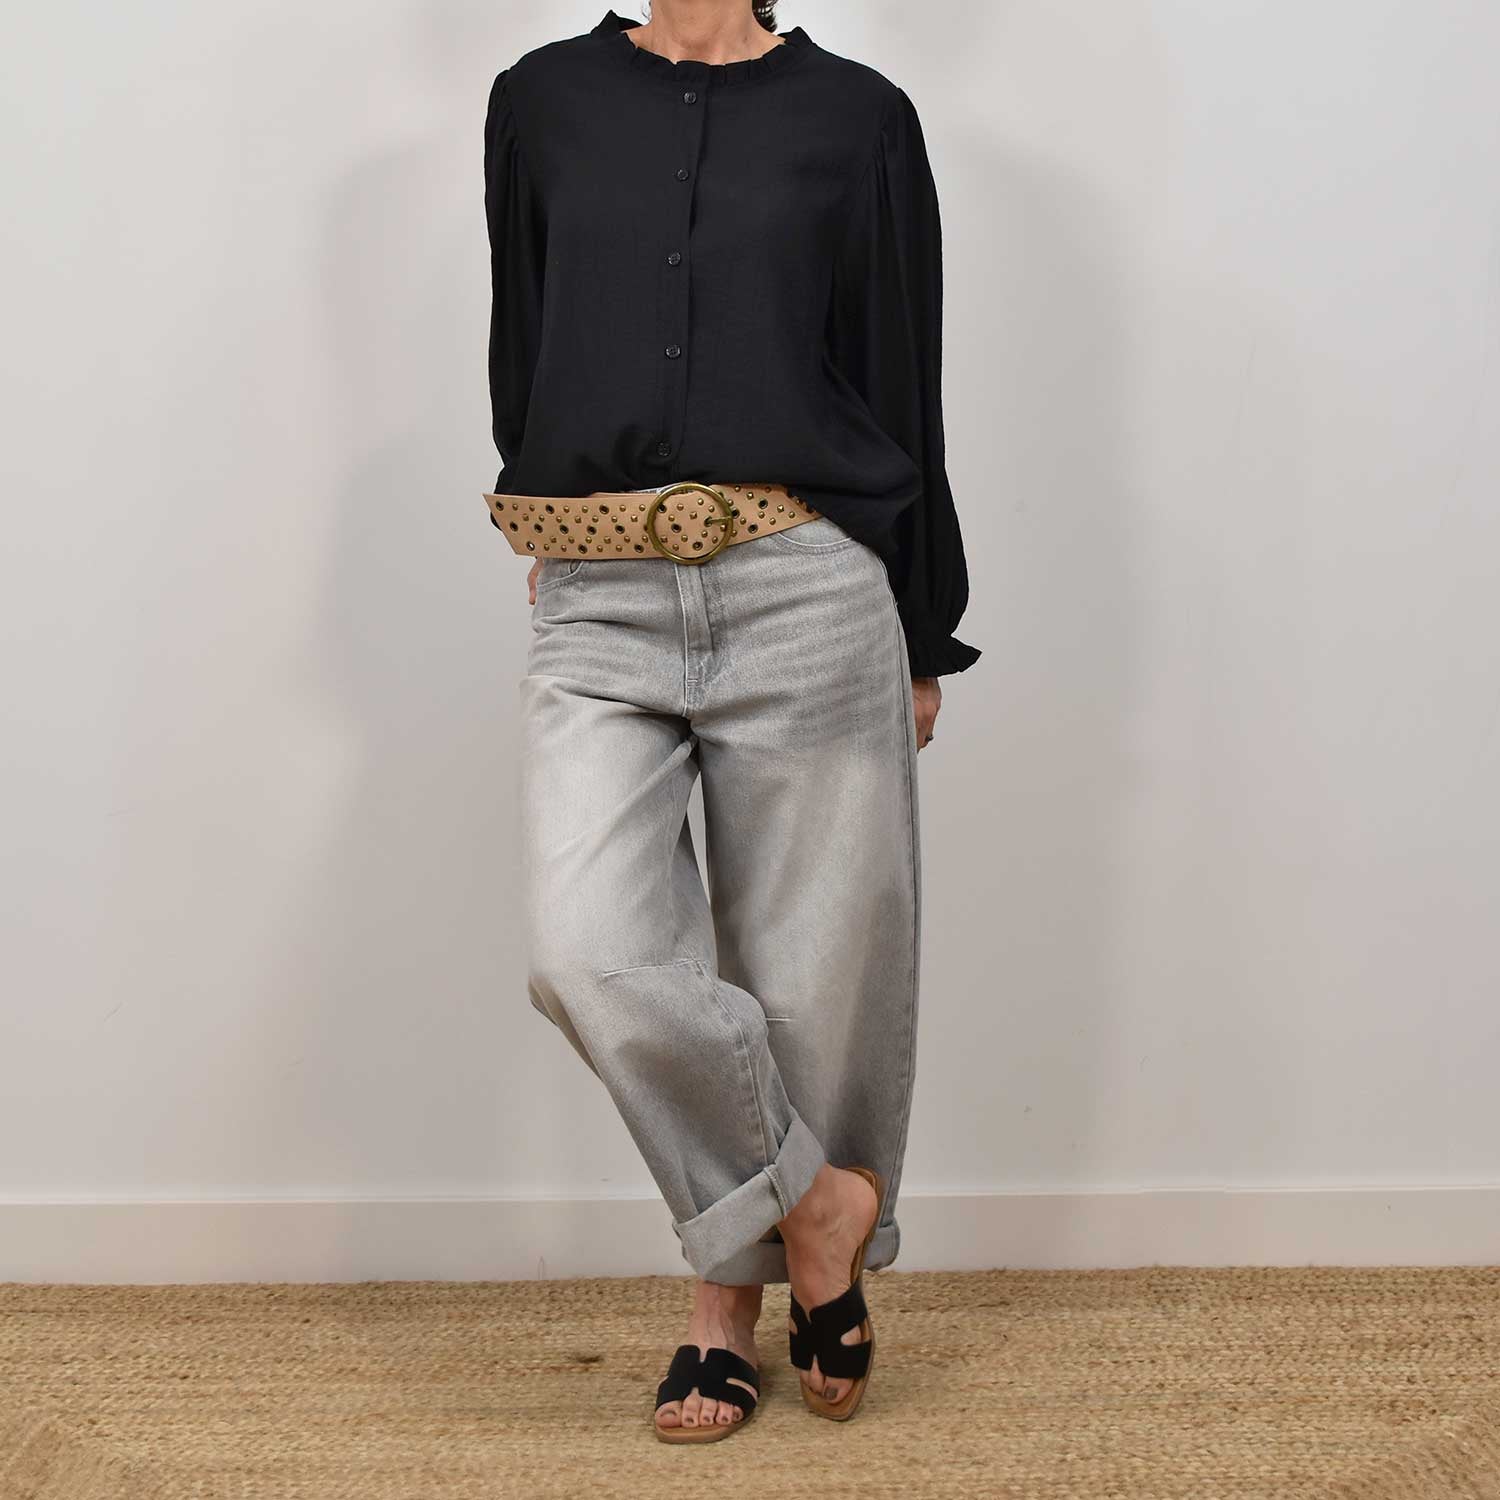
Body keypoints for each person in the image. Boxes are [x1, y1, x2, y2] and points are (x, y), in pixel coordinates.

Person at [483, 0, 980, 1440]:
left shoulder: (859, 116)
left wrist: (922, 629)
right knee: (587, 952)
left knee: (810, 978)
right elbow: (525, 328)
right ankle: (822, 1209)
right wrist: (550, 496)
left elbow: (900, 373)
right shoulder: (541, 100)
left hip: (805, 581)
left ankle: (720, 1321)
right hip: (598, 588)